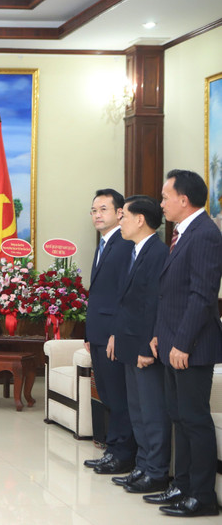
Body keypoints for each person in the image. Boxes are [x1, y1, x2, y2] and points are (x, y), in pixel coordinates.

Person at [146, 169, 222, 517]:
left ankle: (203, 495)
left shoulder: (205, 234)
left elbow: (202, 296)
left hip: (192, 347)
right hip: (174, 341)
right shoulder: (181, 234)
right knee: (178, 416)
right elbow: (172, 295)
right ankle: (183, 484)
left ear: (183, 199)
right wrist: (162, 333)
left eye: (164, 197)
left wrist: (183, 343)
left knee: (194, 419)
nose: (160, 203)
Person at [105, 195, 170, 494]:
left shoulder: (156, 252)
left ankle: (156, 472)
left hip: (145, 348)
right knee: (138, 412)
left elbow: (153, 305)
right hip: (129, 343)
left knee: (152, 412)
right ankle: (142, 466)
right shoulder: (135, 251)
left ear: (140, 219)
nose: (120, 222)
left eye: (124, 216)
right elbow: (128, 303)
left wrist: (146, 347)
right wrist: (117, 336)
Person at [82, 188, 136, 474]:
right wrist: (89, 334)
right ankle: (112, 450)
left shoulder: (125, 244)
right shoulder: (104, 244)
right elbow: (100, 294)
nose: (97, 215)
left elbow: (124, 295)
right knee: (107, 394)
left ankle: (123, 454)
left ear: (119, 213)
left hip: (114, 336)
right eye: (94, 210)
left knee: (118, 396)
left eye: (103, 209)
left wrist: (117, 332)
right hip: (99, 334)